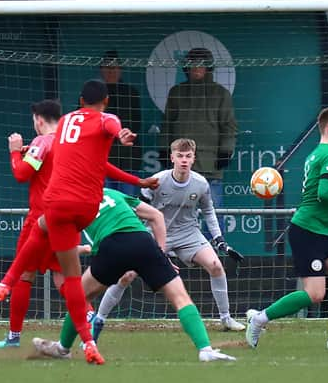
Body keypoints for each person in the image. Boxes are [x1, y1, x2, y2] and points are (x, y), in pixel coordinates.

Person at [0, 80, 158, 365]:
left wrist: (14, 151)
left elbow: (22, 173)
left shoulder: (47, 139)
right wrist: (135, 176)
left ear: (38, 119)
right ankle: (88, 331)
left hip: (50, 209)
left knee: (27, 272)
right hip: (82, 210)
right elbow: (105, 152)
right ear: (106, 100)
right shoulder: (79, 135)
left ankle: (9, 310)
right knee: (68, 279)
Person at [31, 188, 236, 363]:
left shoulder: (69, 205)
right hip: (143, 242)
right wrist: (161, 255)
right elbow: (156, 216)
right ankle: (205, 350)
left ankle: (62, 348)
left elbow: (62, 242)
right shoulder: (112, 193)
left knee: (79, 297)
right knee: (180, 298)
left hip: (111, 246)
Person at [89, 138, 246, 341]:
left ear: (193, 159)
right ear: (172, 158)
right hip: (155, 233)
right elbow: (138, 209)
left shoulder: (201, 184)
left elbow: (208, 211)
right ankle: (100, 318)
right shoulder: (157, 181)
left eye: (188, 156)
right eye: (180, 156)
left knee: (216, 265)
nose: (184, 160)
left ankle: (226, 319)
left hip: (188, 233)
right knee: (125, 276)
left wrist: (219, 240)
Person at [245, 107, 328, 350]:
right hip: (307, 231)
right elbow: (325, 194)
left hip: (322, 230)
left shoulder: (319, 154)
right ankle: (259, 319)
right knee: (315, 294)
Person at [161, 47, 237, 239]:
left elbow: (229, 126)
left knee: (214, 212)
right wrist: (163, 149)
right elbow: (167, 124)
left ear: (209, 68)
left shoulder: (221, 94)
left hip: (211, 164)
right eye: (192, 65)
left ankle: (215, 250)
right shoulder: (176, 92)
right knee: (177, 213)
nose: (196, 69)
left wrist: (225, 151)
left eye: (201, 65)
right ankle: (179, 253)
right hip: (181, 168)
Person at [100, 50, 143, 196]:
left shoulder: (131, 93)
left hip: (127, 159)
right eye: (107, 66)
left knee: (127, 203)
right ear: (101, 70)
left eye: (115, 67)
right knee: (105, 203)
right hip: (101, 159)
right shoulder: (94, 93)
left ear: (120, 70)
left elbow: (136, 125)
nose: (111, 71)